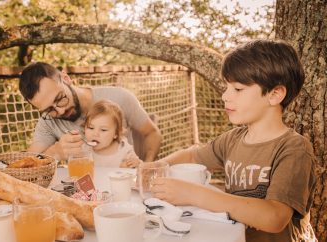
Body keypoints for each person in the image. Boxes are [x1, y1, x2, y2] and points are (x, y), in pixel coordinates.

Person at [150, 40, 316, 242]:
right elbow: (193, 155)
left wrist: (195, 195)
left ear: (275, 94)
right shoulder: (232, 139)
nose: (224, 96)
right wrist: (159, 165)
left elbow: (275, 217)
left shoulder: (294, 148)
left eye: (237, 89)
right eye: (226, 87)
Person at [19, 62, 161, 162]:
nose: (60, 110)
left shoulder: (119, 97)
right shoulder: (48, 122)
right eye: (49, 109)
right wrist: (56, 152)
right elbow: (28, 164)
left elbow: (152, 133)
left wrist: (147, 167)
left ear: (66, 79)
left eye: (60, 98)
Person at [84, 99, 142, 168]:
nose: (95, 134)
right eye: (91, 128)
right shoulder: (83, 149)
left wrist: (135, 164)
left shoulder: (125, 151)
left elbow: (140, 167)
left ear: (116, 134)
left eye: (103, 130)